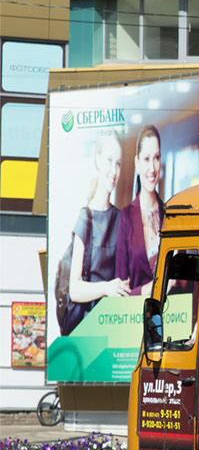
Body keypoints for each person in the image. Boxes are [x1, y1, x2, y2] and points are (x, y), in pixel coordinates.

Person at [62, 132, 128, 329]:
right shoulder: (86, 218)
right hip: (88, 328)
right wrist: (107, 288)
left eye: (118, 163)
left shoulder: (120, 218)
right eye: (109, 160)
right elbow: (74, 289)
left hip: (114, 325)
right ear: (98, 160)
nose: (114, 171)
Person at [116, 125, 164, 296]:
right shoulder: (126, 216)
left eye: (156, 158)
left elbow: (180, 283)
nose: (152, 168)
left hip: (170, 317)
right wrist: (149, 290)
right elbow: (121, 292)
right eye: (146, 159)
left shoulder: (169, 216)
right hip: (135, 318)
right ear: (137, 163)